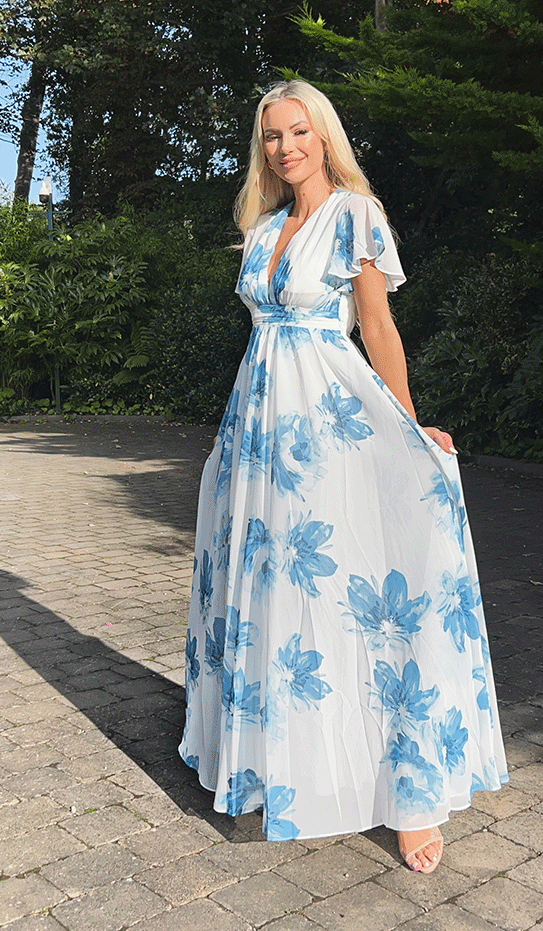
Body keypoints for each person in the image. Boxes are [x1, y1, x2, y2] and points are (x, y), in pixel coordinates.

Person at [179, 79, 508, 874]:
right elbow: (261, 340)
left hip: (328, 418)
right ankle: (277, 765)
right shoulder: (258, 231)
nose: (285, 147)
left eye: (298, 131)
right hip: (258, 427)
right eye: (270, 136)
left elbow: (378, 324)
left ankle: (410, 794)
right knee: (273, 593)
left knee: (351, 582)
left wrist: (406, 423)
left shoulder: (356, 214)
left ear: (324, 137)